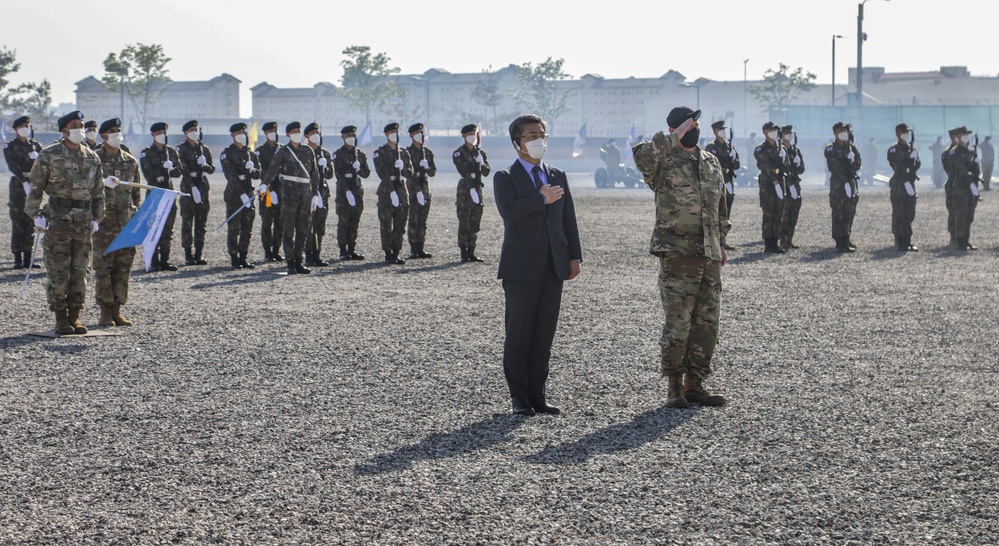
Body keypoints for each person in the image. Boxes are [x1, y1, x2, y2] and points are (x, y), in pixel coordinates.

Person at [633, 106, 729, 408]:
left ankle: (695, 384)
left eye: (696, 123)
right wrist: (673, 137)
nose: (695, 128)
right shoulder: (662, 159)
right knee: (679, 322)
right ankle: (674, 385)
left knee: (707, 322)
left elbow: (720, 206)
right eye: (689, 124)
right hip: (677, 253)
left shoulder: (711, 161)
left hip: (709, 253)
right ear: (676, 128)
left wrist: (722, 242)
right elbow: (643, 159)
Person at [494, 114, 582, 416]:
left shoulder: (556, 174)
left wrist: (574, 257)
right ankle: (519, 398)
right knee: (519, 335)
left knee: (544, 335)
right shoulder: (505, 176)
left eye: (542, 134)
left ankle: (538, 395)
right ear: (517, 141)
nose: (538, 140)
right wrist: (539, 198)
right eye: (532, 135)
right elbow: (508, 211)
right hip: (520, 269)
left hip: (552, 266)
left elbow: (568, 219)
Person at [25, 111, 105, 335]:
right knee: (59, 271)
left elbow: (99, 192)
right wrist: (36, 214)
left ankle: (75, 316)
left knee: (80, 270)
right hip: (57, 219)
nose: (80, 129)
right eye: (74, 125)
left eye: (81, 125)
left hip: (82, 221)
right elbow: (35, 188)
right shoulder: (49, 155)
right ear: (64, 130)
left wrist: (97, 217)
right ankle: (61, 318)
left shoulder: (91, 156)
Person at [93, 117, 142, 326]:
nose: (117, 134)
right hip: (104, 224)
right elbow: (87, 189)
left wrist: (134, 215)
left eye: (118, 130)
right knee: (104, 268)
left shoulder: (130, 160)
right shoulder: (94, 159)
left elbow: (136, 193)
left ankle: (117, 309)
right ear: (103, 136)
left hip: (125, 223)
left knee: (123, 267)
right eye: (112, 131)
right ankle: (105, 311)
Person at [262, 121, 320, 274]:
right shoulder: (283, 151)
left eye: (298, 131)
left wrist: (316, 193)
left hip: (305, 195)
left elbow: (314, 174)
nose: (297, 133)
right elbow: (272, 169)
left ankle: (299, 261)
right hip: (289, 195)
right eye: (293, 131)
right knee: (288, 229)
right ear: (288, 134)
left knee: (303, 229)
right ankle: (290, 262)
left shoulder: (308, 151)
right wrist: (265, 184)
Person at [139, 121, 183, 270]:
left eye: (163, 133)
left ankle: (165, 259)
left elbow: (179, 171)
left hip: (169, 193)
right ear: (153, 135)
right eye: (158, 133)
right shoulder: (147, 152)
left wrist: (172, 169)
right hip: (155, 194)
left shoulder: (171, 152)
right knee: (153, 227)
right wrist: (160, 172)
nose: (161, 136)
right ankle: (153, 260)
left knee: (167, 228)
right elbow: (148, 175)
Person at [3, 115, 43, 269]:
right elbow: (12, 165)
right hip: (18, 184)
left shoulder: (36, 146)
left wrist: (38, 159)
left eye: (27, 125)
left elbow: (44, 164)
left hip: (33, 183)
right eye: (22, 126)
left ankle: (28, 257)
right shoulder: (10, 146)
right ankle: (17, 257)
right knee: (18, 219)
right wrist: (24, 180)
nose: (25, 128)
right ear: (15, 129)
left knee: (31, 219)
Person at [220, 122, 261, 269]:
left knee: (247, 227)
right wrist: (242, 194)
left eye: (243, 132)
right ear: (232, 135)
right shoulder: (227, 153)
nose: (241, 135)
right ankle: (234, 257)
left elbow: (258, 175)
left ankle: (243, 256)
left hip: (249, 192)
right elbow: (231, 176)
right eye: (238, 133)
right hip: (234, 194)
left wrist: (253, 170)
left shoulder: (250, 153)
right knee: (234, 227)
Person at [176, 120, 215, 266]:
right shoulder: (180, 149)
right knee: (187, 222)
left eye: (196, 129)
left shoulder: (204, 149)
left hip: (203, 186)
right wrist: (192, 187)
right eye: (191, 129)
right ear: (185, 132)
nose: (194, 132)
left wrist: (205, 165)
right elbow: (183, 169)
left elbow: (211, 169)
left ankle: (199, 253)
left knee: (201, 222)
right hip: (188, 188)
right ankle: (188, 254)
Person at [373, 122, 412, 264]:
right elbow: (381, 173)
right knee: (386, 223)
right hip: (386, 191)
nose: (394, 134)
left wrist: (403, 169)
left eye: (396, 131)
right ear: (386, 134)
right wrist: (391, 192)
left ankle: (396, 251)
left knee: (400, 223)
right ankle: (388, 253)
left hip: (401, 188)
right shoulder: (380, 152)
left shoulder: (404, 153)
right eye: (391, 132)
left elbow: (410, 172)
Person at [332, 125, 370, 260]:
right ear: (343, 137)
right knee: (344, 221)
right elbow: (339, 175)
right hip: (344, 191)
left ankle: (352, 249)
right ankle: (343, 250)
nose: (351, 138)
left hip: (357, 190)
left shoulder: (360, 154)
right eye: (348, 135)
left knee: (354, 220)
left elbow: (366, 174)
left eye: (353, 135)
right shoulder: (338, 154)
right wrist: (347, 192)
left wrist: (359, 169)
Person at [454, 123, 490, 262]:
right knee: (464, 221)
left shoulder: (480, 153)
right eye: (468, 134)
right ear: (463, 136)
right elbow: (463, 171)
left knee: (475, 221)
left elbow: (486, 172)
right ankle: (463, 252)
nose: (471, 137)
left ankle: (472, 251)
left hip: (477, 189)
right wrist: (471, 189)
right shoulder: (459, 153)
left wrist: (482, 164)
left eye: (473, 134)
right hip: (465, 190)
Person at [824, 122, 861, 252]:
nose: (844, 132)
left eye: (845, 130)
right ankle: (839, 240)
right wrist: (845, 178)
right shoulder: (831, 148)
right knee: (838, 211)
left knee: (849, 210)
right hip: (838, 184)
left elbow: (857, 165)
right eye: (841, 130)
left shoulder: (852, 148)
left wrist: (853, 160)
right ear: (835, 132)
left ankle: (846, 236)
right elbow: (835, 166)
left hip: (850, 182)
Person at [943, 126, 980, 250]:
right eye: (963, 135)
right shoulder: (954, 152)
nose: (966, 137)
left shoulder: (971, 152)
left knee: (969, 214)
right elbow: (960, 169)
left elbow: (976, 168)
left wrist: (975, 181)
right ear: (958, 137)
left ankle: (966, 239)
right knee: (961, 214)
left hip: (971, 187)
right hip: (960, 187)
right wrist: (970, 178)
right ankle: (960, 241)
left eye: (967, 134)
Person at [704, 120, 739, 251]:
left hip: (728, 181)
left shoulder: (730, 146)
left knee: (726, 212)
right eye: (720, 129)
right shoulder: (711, 147)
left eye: (724, 129)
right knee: (716, 212)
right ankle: (715, 240)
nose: (723, 132)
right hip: (717, 182)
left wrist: (733, 158)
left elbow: (737, 165)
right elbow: (709, 166)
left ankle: (723, 240)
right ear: (715, 131)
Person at [754, 121, 788, 254]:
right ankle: (768, 243)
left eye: (775, 129)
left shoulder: (781, 148)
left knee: (778, 212)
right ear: (764, 132)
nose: (773, 132)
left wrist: (784, 159)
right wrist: (775, 181)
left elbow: (787, 167)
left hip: (781, 181)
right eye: (770, 130)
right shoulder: (760, 148)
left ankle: (775, 241)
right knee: (769, 213)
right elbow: (765, 166)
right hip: (768, 184)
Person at [886, 123, 921, 252]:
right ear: (898, 133)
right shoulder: (893, 149)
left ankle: (908, 240)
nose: (906, 135)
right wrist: (909, 161)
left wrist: (915, 160)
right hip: (900, 184)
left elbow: (916, 165)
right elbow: (897, 165)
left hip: (910, 183)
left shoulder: (911, 149)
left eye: (907, 132)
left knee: (909, 212)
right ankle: (900, 241)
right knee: (900, 212)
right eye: (903, 132)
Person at [304, 122, 333, 267]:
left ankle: (317, 254)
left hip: (323, 192)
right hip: (308, 193)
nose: (316, 135)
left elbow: (330, 174)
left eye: (318, 132)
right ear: (307, 136)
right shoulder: (304, 152)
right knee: (308, 226)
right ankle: (308, 255)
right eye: (313, 132)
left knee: (320, 226)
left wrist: (325, 166)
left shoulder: (325, 153)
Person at [406, 122, 436, 259]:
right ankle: (413, 248)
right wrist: (417, 191)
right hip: (412, 189)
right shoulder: (407, 153)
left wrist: (427, 166)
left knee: (423, 220)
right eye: (417, 133)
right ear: (411, 135)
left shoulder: (428, 152)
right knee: (413, 219)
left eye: (422, 132)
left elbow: (432, 172)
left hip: (425, 188)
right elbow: (409, 174)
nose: (420, 135)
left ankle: (421, 247)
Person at [256, 121, 284, 262]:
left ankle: (276, 250)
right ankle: (267, 251)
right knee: (267, 222)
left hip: (282, 190)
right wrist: (270, 189)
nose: (274, 132)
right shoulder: (261, 151)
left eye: (275, 130)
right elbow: (263, 172)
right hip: (266, 191)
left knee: (280, 222)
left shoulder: (283, 149)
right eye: (271, 131)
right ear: (265, 133)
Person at [780, 125, 805, 249]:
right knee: (785, 211)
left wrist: (798, 163)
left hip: (795, 184)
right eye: (787, 133)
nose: (789, 135)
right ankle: (782, 238)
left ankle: (790, 238)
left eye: (791, 133)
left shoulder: (796, 150)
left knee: (794, 211)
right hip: (785, 184)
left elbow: (802, 170)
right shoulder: (780, 149)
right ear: (782, 135)